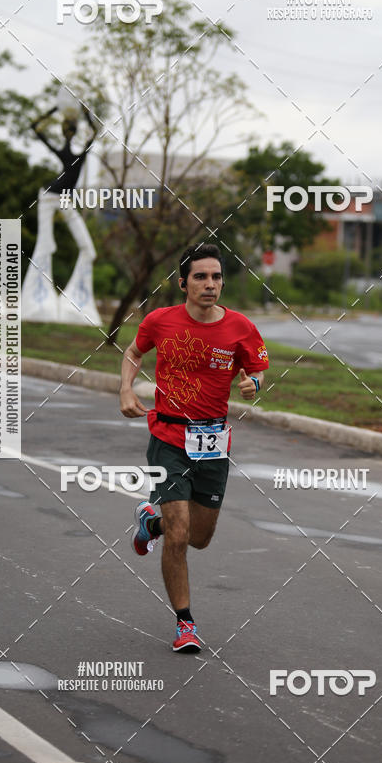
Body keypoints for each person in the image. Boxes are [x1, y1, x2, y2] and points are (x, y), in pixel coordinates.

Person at [120, 243, 269, 653]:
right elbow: (133, 352)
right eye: (200, 276)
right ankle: (185, 624)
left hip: (213, 444)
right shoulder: (160, 321)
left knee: (200, 537)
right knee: (180, 535)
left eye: (216, 277)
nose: (210, 284)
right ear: (182, 282)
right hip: (168, 438)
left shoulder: (240, 327)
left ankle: (150, 523)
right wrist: (125, 387)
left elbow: (258, 370)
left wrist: (252, 384)